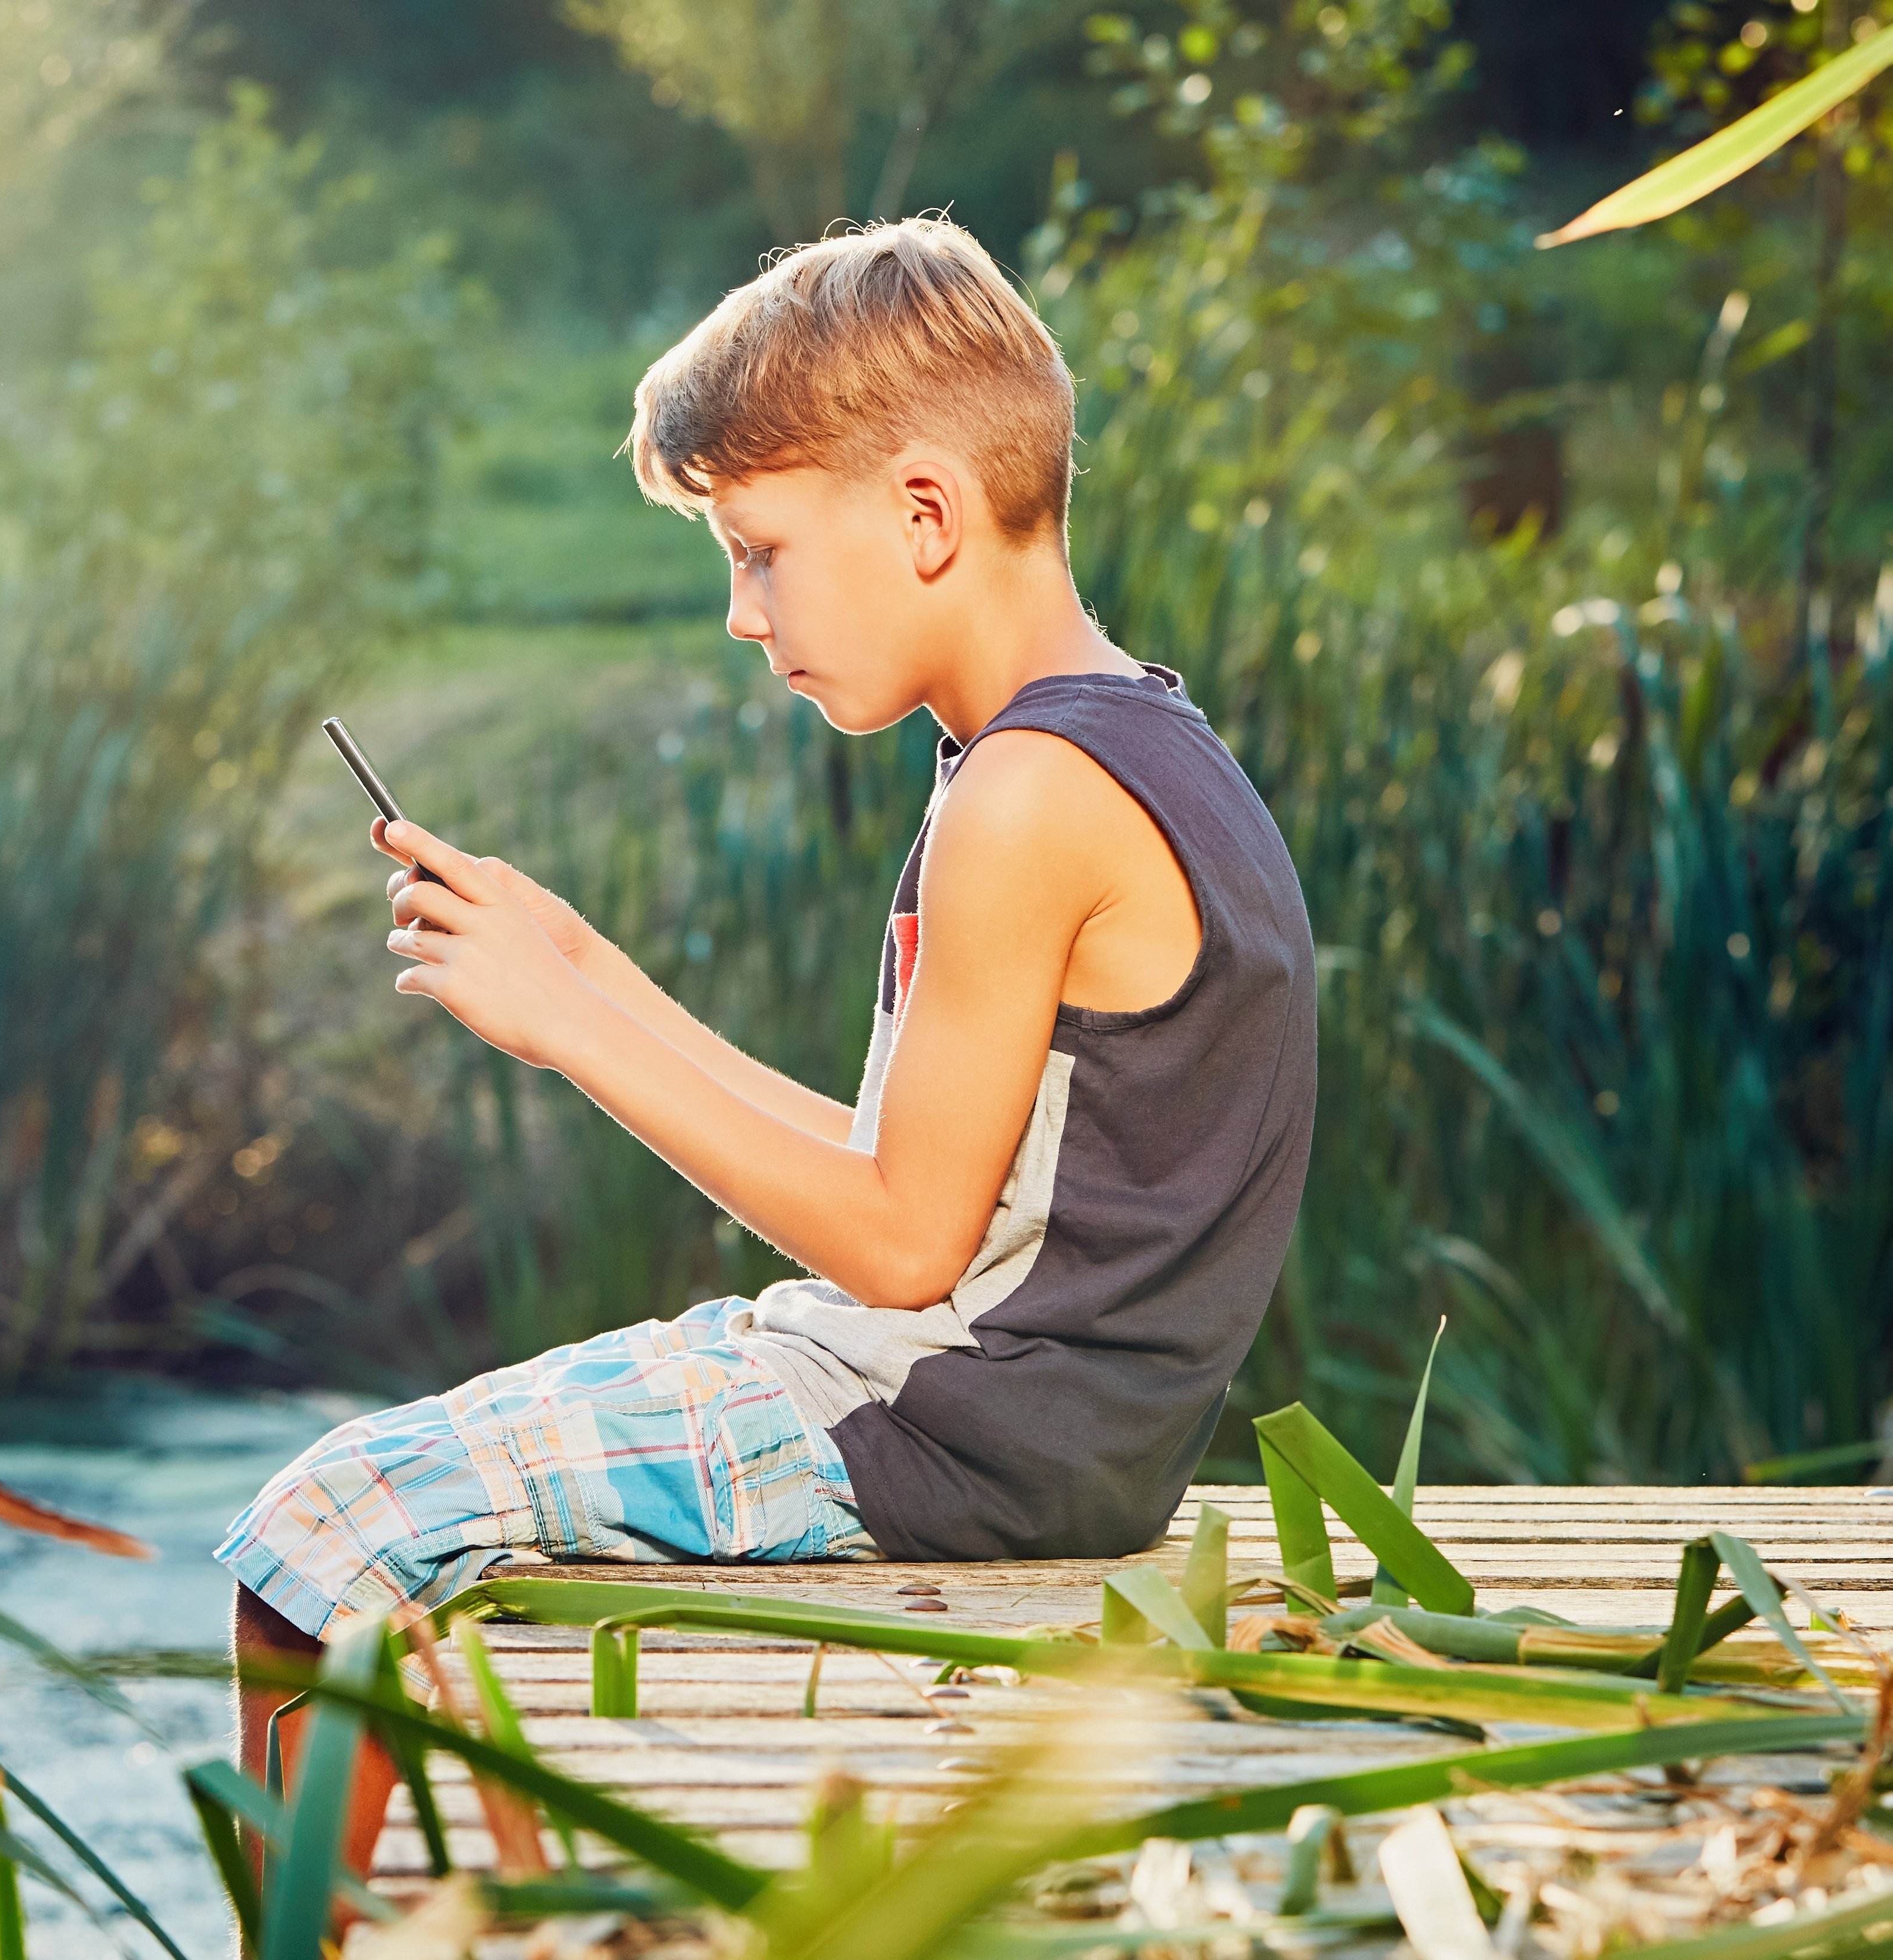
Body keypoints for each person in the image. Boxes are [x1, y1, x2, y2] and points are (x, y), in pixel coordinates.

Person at [215, 216, 1318, 1871]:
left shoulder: (1023, 800)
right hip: (1034, 1428)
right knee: (368, 1510)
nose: (742, 612)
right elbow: (931, 1184)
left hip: (941, 1438)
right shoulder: (1123, 742)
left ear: (924, 512)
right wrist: (583, 974)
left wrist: (578, 1046)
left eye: (759, 549)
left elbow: (895, 1244)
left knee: (314, 1531)